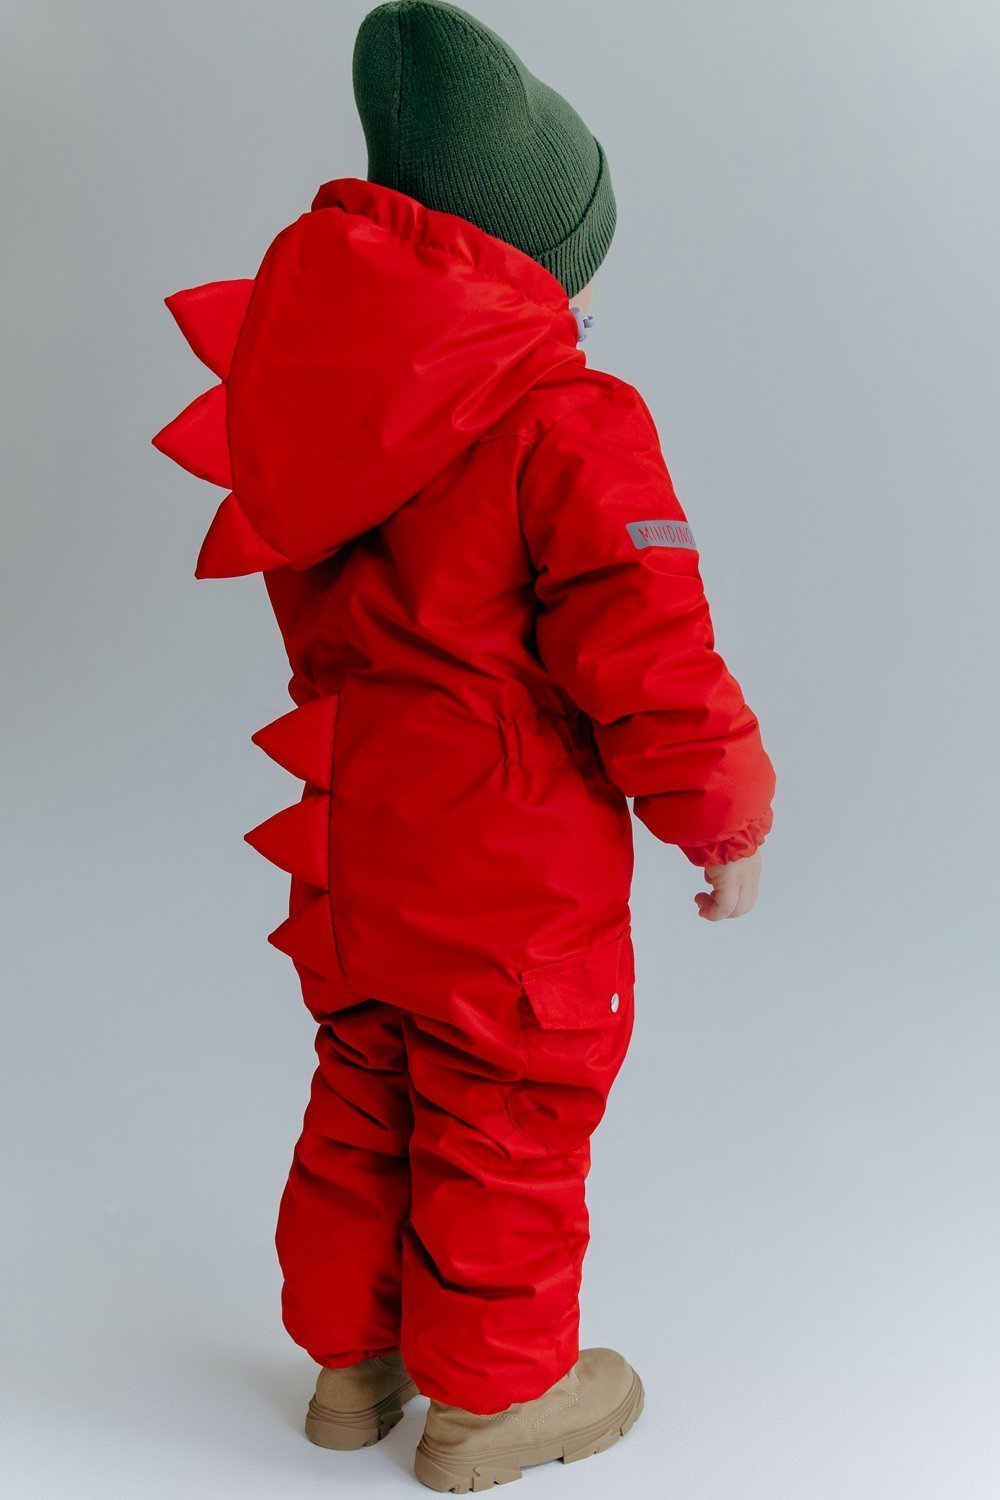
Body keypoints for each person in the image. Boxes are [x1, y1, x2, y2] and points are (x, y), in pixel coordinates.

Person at [153, 0, 776, 1489]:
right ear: (535, 260)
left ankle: (348, 1368)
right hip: (510, 865)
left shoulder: (323, 401)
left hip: (355, 841)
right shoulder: (569, 418)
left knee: (366, 1086)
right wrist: (725, 814)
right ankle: (495, 1404)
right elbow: (649, 648)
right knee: (506, 1113)